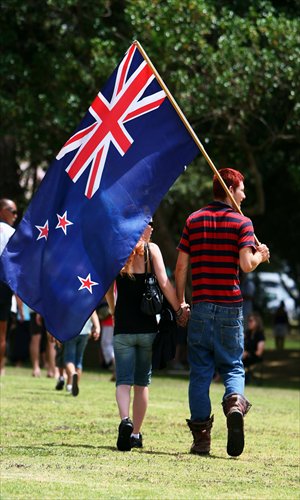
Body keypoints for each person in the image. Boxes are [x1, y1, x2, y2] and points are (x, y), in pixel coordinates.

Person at [175, 168, 270, 457]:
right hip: (231, 306)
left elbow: (181, 267)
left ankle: (202, 440)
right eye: (241, 188)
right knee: (232, 366)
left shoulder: (194, 219)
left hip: (202, 305)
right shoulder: (242, 223)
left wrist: (181, 302)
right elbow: (245, 264)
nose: (244, 193)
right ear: (230, 189)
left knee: (200, 372)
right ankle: (233, 405)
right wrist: (260, 255)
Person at [105, 220, 189, 452]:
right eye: (148, 223)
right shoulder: (152, 252)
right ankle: (135, 433)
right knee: (142, 383)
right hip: (148, 330)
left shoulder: (117, 249)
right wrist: (179, 309)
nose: (152, 226)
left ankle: (124, 420)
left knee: (123, 381)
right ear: (139, 226)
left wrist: (113, 309)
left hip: (123, 328)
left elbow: (107, 287)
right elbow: (164, 283)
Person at [63, 311, 100, 396]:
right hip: (85, 332)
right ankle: (74, 387)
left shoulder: (70, 298)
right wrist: (97, 328)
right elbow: (93, 313)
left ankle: (72, 374)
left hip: (71, 331)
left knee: (69, 359)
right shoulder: (88, 297)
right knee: (79, 360)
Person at [0, 198, 18, 375]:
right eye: (12, 211)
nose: (15, 215)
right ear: (2, 211)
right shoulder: (12, 233)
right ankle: (1, 369)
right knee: (1, 332)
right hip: (3, 285)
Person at [243, 312, 265, 383]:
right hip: (245, 356)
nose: (249, 323)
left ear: (257, 322)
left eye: (251, 321)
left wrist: (248, 353)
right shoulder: (247, 333)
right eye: (248, 321)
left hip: (254, 357)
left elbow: (259, 353)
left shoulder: (260, 335)